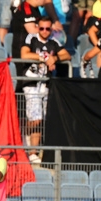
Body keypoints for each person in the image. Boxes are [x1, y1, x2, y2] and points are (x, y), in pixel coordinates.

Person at [21, 16, 70, 164]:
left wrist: (54, 59)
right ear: (37, 27)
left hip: (46, 85)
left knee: (42, 118)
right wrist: (44, 57)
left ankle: (32, 147)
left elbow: (66, 55)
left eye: (47, 28)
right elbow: (24, 54)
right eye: (41, 28)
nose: (44, 31)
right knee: (36, 119)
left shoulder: (53, 42)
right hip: (31, 83)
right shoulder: (31, 38)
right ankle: (31, 148)